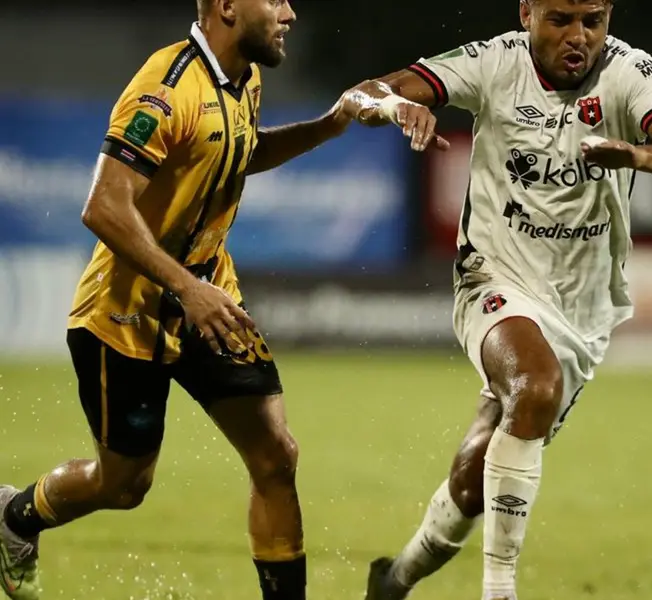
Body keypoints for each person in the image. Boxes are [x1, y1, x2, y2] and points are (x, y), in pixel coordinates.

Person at [0, 2, 444, 599]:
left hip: (210, 300)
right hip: (125, 315)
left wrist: (330, 123)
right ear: (228, 7)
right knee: (125, 485)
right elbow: (103, 205)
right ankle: (15, 517)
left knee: (275, 455)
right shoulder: (165, 88)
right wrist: (186, 287)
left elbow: (240, 152)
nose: (290, 12)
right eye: (275, 0)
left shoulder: (245, 77)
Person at [361, 0, 652, 598]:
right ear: (526, 12)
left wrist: (637, 154)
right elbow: (371, 91)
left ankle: (395, 579)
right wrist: (397, 105)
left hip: (583, 309)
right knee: (536, 384)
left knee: (477, 480)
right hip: (493, 275)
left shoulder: (632, 74)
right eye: (560, 19)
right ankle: (500, 591)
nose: (579, 36)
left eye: (594, 20)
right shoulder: (493, 62)